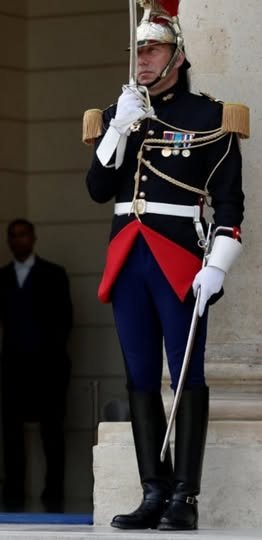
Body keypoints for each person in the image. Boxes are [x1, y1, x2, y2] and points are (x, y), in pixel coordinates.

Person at [83, 0, 247, 531]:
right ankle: (153, 490)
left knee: (185, 373)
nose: (142, 60)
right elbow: (97, 189)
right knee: (137, 375)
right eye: (138, 51)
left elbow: (229, 203)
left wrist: (217, 265)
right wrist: (117, 129)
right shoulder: (118, 112)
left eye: (152, 50)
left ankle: (185, 496)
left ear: (177, 55)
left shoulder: (209, 116)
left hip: (178, 259)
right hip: (127, 257)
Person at [0, 218, 72, 512]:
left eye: (23, 234)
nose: (18, 240)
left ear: (33, 238)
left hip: (49, 366)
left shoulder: (54, 274)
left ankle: (54, 494)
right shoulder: (0, 277)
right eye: (13, 236)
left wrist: (51, 354)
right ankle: (13, 494)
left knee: (52, 431)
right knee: (11, 432)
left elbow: (65, 320)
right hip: (14, 365)